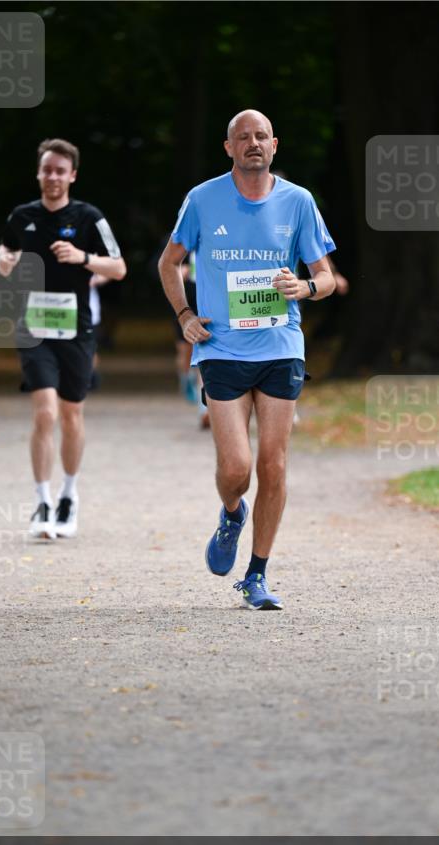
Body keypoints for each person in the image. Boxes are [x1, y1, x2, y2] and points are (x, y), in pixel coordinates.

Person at [158, 109, 336, 609]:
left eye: (261, 136)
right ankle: (232, 512)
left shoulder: (298, 202)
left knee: (273, 467)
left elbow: (325, 275)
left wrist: (305, 286)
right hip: (221, 348)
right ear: (229, 147)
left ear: (275, 145)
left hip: (281, 345)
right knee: (237, 468)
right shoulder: (202, 199)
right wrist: (184, 315)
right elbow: (168, 262)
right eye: (243, 137)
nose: (253, 143)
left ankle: (255, 575)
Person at [0, 138, 126, 539]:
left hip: (76, 331)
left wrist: (82, 257)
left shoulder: (89, 218)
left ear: (72, 175)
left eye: (60, 170)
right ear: (38, 172)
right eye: (46, 169)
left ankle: (69, 494)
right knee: (45, 413)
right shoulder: (21, 216)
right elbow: (3, 257)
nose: (52, 176)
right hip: (35, 330)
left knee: (71, 415)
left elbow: (119, 268)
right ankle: (43, 500)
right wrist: (3, 261)